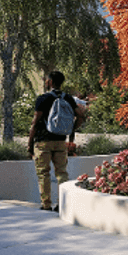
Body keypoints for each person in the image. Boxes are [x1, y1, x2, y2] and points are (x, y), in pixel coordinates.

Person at [27, 71, 84, 211]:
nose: (46, 82)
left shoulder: (43, 99)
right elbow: (81, 116)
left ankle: (46, 205)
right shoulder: (69, 98)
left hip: (43, 142)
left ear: (50, 81)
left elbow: (35, 123)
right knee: (61, 173)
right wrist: (71, 130)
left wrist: (29, 144)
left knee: (43, 173)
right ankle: (62, 204)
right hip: (60, 141)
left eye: (46, 79)